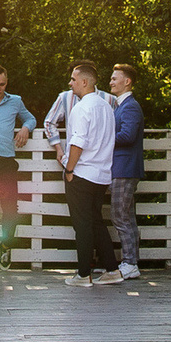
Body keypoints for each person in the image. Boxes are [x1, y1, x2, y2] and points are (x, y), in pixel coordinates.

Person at [61, 60, 116, 283]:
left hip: (82, 173)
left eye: (73, 79)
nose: (70, 83)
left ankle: (84, 274)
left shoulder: (81, 108)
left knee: (82, 224)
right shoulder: (107, 107)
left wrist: (69, 169)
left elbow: (78, 143)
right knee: (96, 221)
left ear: (84, 82)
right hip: (102, 174)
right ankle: (112, 270)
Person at [0, 65, 35, 263]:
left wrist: (26, 128)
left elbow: (30, 118)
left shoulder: (16, 101)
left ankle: (5, 246)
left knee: (10, 207)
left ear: (6, 82)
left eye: (2, 84)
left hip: (6, 162)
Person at [107, 64, 147, 283]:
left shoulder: (130, 106)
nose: (111, 82)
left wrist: (103, 138)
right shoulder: (120, 106)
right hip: (121, 168)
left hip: (125, 169)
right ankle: (130, 262)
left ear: (127, 82)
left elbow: (128, 136)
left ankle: (130, 263)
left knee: (120, 216)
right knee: (126, 216)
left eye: (115, 79)